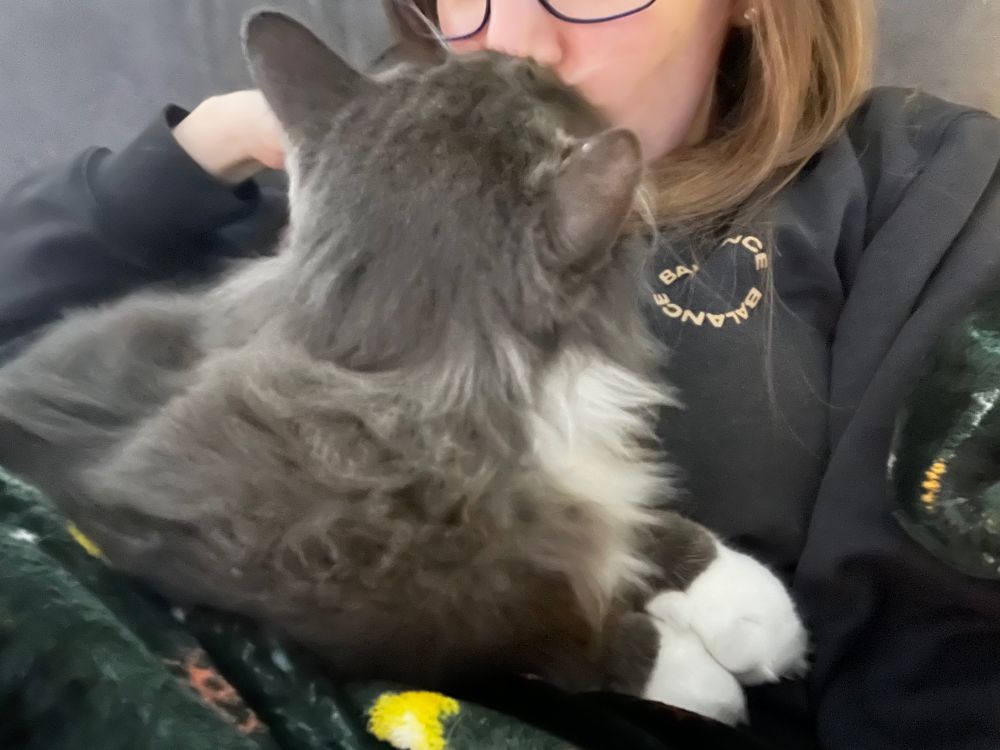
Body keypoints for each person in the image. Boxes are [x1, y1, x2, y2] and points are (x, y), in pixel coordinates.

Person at [0, 1, 998, 748]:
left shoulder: (918, 187)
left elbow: (938, 667)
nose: (516, 41)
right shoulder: (376, 147)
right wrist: (196, 155)